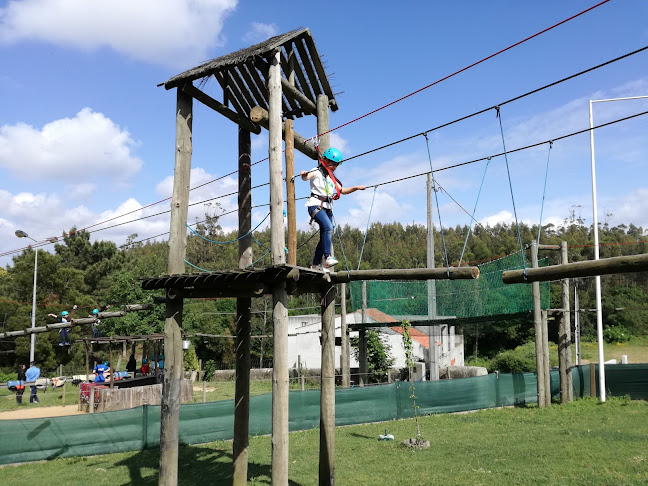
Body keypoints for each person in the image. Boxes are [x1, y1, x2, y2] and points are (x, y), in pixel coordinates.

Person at [300, 147, 365, 271]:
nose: (335, 167)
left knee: (327, 233)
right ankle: (328, 257)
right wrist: (304, 174)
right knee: (328, 228)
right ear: (325, 160)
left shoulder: (332, 178)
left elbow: (342, 190)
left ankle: (316, 265)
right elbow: (307, 177)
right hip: (315, 204)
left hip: (328, 207)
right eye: (333, 164)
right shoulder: (317, 171)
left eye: (336, 165)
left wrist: (356, 188)